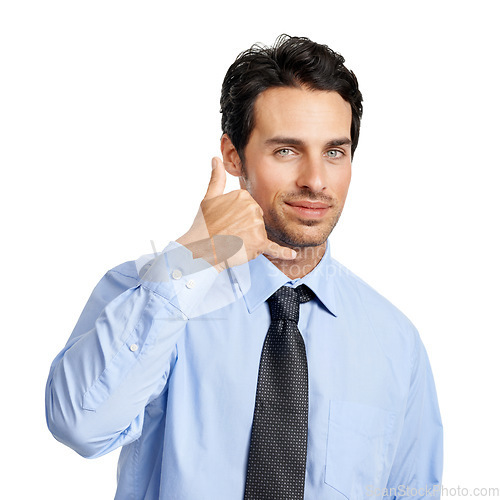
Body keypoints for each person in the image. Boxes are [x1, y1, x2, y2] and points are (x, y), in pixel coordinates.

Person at [45, 35, 443, 499]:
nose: (315, 180)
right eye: (286, 151)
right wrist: (196, 254)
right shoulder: (153, 291)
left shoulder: (395, 341)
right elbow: (79, 424)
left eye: (334, 151)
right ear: (234, 156)